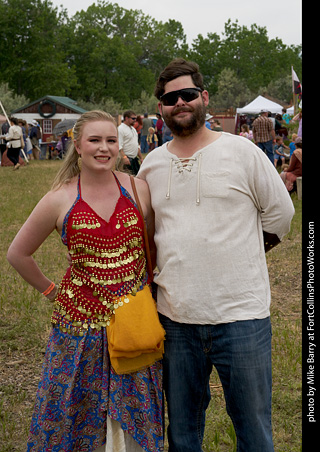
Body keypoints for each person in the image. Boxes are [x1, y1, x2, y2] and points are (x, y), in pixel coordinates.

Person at [137, 58, 295, 452]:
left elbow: (282, 214)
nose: (180, 102)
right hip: (175, 318)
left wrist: (242, 253)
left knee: (254, 432)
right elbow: (145, 228)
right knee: (183, 433)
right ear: (161, 108)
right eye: (170, 98)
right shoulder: (151, 165)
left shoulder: (242, 151)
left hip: (241, 318)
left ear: (204, 98)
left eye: (188, 94)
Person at [7, 110, 164, 452]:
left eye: (110, 140)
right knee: (74, 416)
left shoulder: (140, 190)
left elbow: (151, 245)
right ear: (77, 146)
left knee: (134, 420)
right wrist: (53, 291)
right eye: (94, 140)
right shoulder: (59, 199)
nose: (103, 148)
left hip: (132, 325)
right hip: (79, 333)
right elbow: (18, 254)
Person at [118, 110, 143, 175]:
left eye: (136, 118)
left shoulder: (133, 129)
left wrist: (141, 158)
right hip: (126, 160)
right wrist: (124, 158)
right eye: (133, 118)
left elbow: (136, 145)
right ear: (126, 118)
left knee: (136, 178)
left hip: (134, 160)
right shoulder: (120, 129)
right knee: (127, 180)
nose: (135, 120)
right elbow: (119, 146)